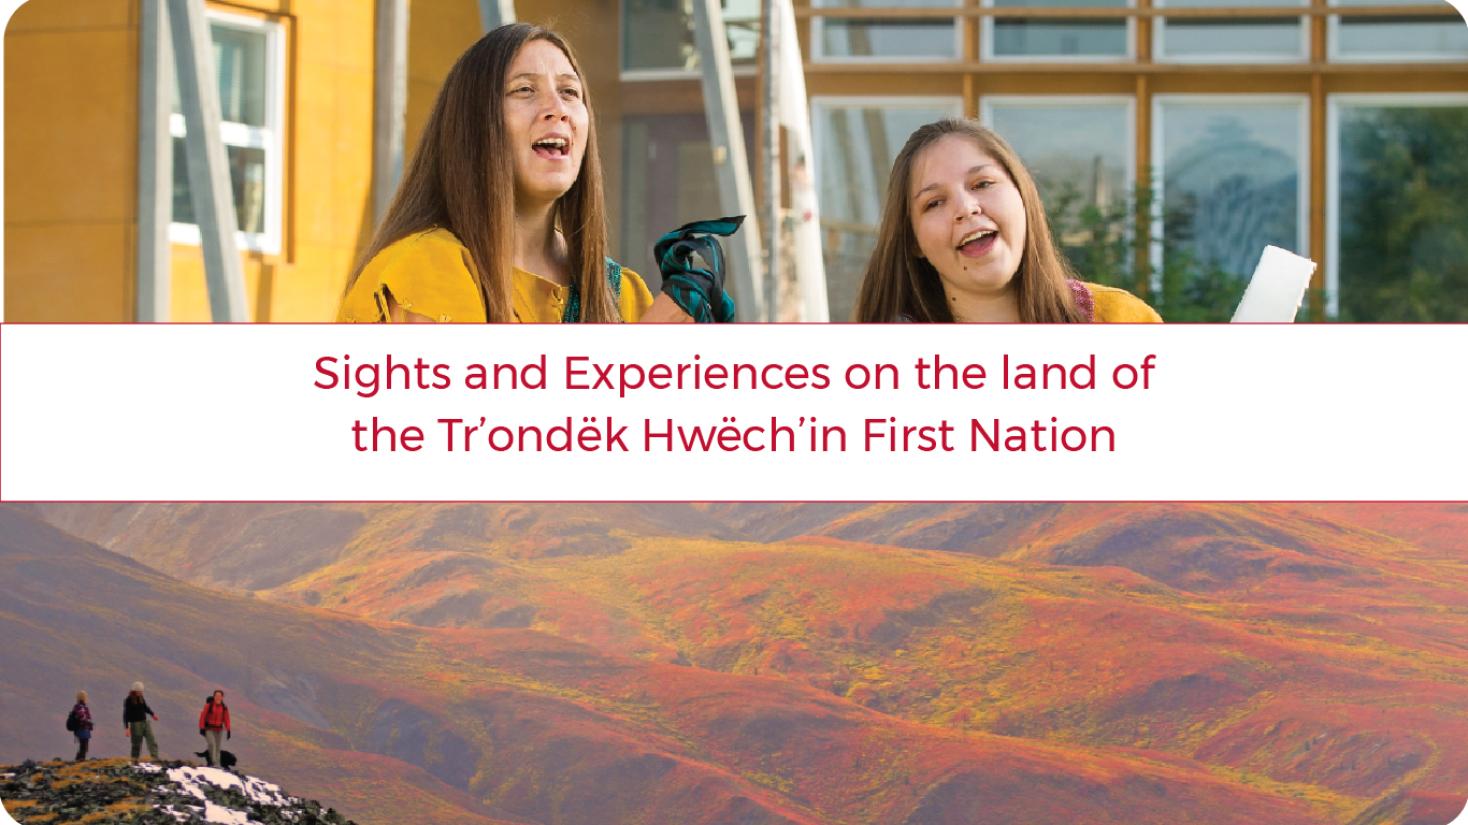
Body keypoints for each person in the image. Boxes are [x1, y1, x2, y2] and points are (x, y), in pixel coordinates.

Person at [339, 23, 733, 325]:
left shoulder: (624, 294)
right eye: (524, 90)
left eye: (570, 92)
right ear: (473, 126)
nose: (556, 108)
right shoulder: (421, 269)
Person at [855, 118, 1159, 323]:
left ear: (1023, 196)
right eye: (934, 203)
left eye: (982, 184)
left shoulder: (1122, 321)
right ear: (914, 243)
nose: (966, 207)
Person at [123, 681, 160, 763]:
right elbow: (126, 715)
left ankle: (155, 759)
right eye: (139, 691)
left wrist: (152, 714)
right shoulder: (128, 700)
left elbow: (145, 707)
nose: (141, 693)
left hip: (145, 723)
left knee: (152, 740)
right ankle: (134, 761)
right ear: (134, 691)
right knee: (136, 745)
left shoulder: (141, 698)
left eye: (142, 691)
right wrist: (127, 728)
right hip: (135, 725)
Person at [198, 690, 232, 768]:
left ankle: (216, 764)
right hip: (209, 728)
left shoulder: (224, 707)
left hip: (219, 730)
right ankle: (212, 762)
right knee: (212, 744)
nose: (218, 697)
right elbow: (203, 716)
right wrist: (202, 728)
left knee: (218, 747)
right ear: (214, 696)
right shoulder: (209, 705)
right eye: (216, 696)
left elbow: (226, 719)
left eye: (220, 696)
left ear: (222, 697)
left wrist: (228, 730)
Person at [67, 691, 93, 761]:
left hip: (82, 728)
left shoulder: (78, 706)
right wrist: (88, 722)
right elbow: (82, 717)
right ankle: (80, 760)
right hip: (83, 728)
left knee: (83, 746)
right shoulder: (81, 707)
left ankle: (79, 759)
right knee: (84, 746)